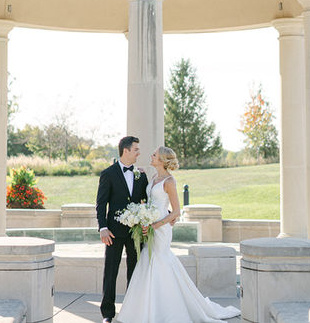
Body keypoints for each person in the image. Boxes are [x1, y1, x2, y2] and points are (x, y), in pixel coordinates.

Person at [117, 146, 241, 323]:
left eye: (154, 155)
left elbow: (176, 212)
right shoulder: (153, 178)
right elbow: (151, 201)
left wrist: (155, 225)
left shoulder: (169, 181)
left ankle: (168, 310)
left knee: (160, 260)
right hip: (150, 225)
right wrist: (144, 220)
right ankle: (147, 309)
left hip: (161, 228)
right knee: (148, 261)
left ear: (161, 160)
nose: (151, 156)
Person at [96, 136, 149, 323]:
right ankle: (107, 314)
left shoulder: (141, 175)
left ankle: (131, 311)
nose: (138, 153)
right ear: (125, 151)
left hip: (135, 234)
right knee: (110, 272)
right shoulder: (108, 174)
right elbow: (101, 204)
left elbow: (147, 201)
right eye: (136, 149)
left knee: (135, 272)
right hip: (112, 232)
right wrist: (102, 227)